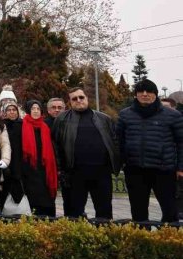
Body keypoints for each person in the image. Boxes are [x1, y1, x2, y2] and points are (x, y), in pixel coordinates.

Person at [116, 79, 183, 223]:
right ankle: (142, 240)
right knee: (138, 212)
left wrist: (180, 168)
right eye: (141, 91)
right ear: (135, 95)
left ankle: (169, 240)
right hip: (135, 170)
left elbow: (181, 142)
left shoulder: (173, 115)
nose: (145, 94)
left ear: (156, 94)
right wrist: (120, 163)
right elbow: (119, 141)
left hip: (164, 170)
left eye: (149, 91)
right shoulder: (125, 115)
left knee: (170, 211)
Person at [52, 87, 120, 219]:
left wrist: (115, 164)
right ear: (70, 102)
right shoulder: (61, 120)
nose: (78, 101)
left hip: (101, 173)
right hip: (74, 175)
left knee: (105, 213)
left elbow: (114, 142)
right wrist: (60, 170)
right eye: (74, 99)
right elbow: (56, 146)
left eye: (81, 97)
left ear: (87, 98)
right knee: (74, 214)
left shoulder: (104, 119)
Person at [7, 100, 58, 216]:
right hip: (27, 170)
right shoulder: (21, 125)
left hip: (45, 170)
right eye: (33, 109)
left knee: (46, 202)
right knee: (31, 204)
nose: (36, 111)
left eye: (38, 109)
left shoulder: (45, 127)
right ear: (28, 111)